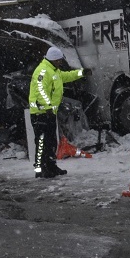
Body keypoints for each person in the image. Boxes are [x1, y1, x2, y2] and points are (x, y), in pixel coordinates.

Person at [28, 46, 83, 178]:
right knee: (42, 142)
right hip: (40, 113)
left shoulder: (54, 71)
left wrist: (82, 73)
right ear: (53, 59)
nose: (60, 62)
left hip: (49, 113)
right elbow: (40, 91)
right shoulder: (42, 71)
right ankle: (41, 170)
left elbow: (66, 76)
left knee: (51, 141)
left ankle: (51, 166)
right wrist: (47, 107)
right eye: (58, 60)